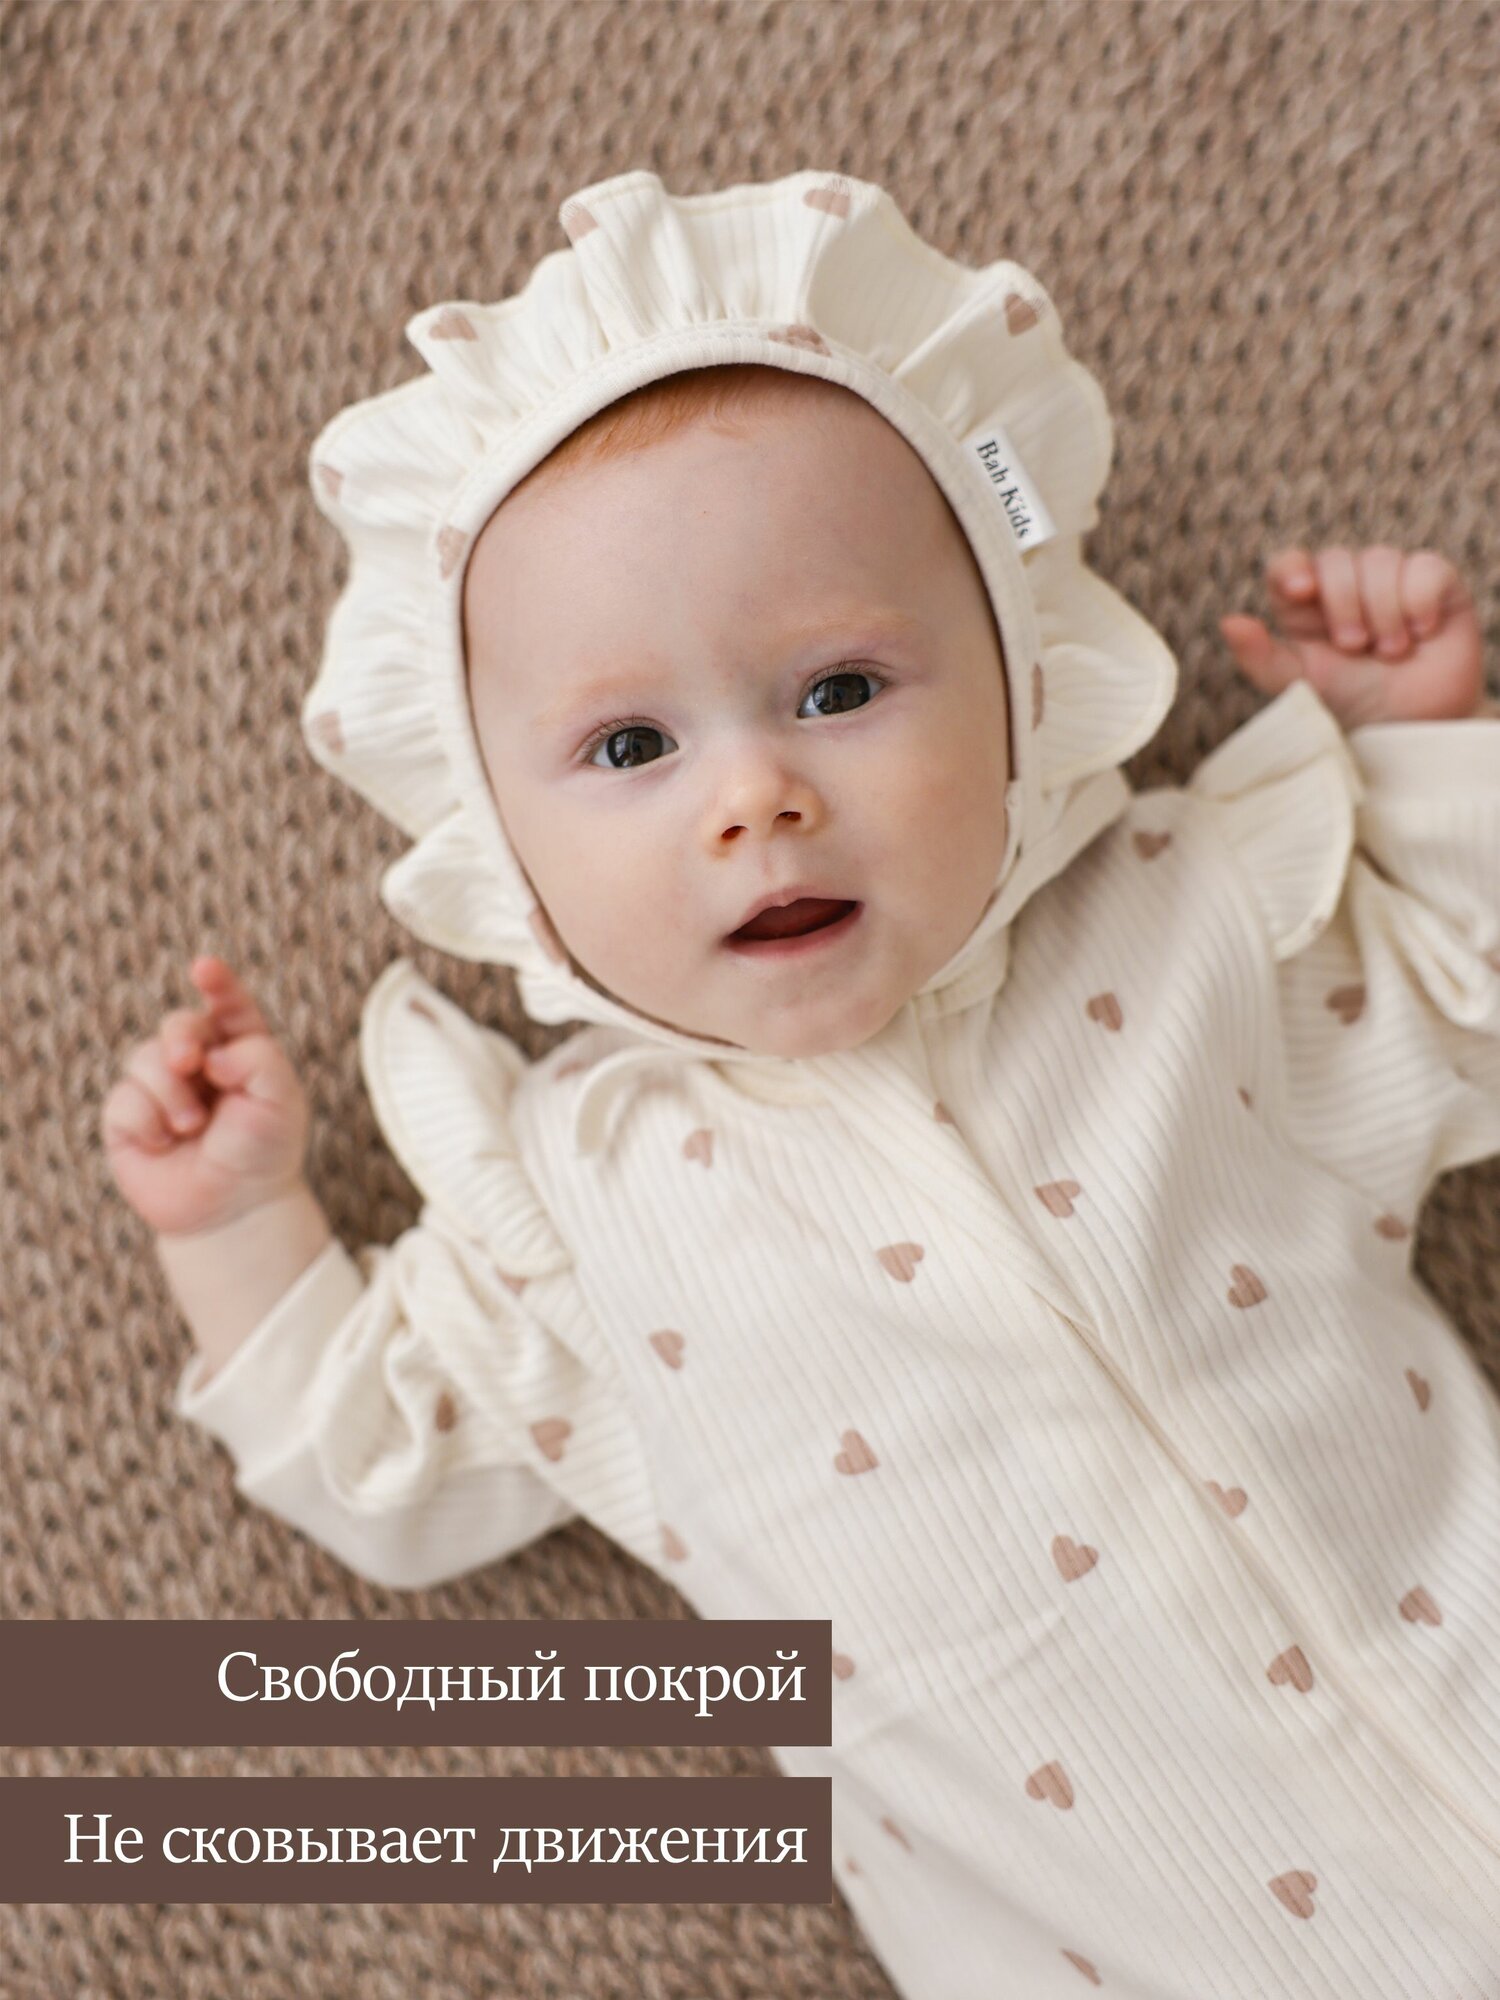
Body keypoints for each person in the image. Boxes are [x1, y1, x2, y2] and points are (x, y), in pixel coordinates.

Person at [102, 169, 1500, 1996]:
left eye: (839, 690)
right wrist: (234, 1226)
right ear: (495, 839)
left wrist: (1423, 748)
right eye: (629, 745)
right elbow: (383, 1465)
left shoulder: (1189, 930)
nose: (753, 797)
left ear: (1019, 678)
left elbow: (1463, 992)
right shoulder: (580, 1201)